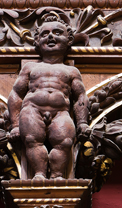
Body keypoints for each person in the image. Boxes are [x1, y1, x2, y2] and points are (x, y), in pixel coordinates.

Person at [8, 13, 89, 179]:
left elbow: (81, 96)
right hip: (32, 109)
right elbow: (16, 94)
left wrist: (82, 123)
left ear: (69, 40)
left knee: (65, 141)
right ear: (37, 41)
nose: (51, 36)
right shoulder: (30, 67)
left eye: (58, 33)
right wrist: (15, 125)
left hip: (61, 112)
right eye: (45, 34)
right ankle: (38, 174)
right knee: (31, 139)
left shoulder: (72, 71)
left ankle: (58, 175)